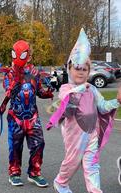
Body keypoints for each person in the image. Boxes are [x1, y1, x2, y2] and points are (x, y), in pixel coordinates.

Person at [46, 28, 121, 193]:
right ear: (69, 69)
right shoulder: (66, 88)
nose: (80, 72)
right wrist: (80, 89)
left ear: (89, 71)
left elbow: (102, 107)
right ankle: (61, 182)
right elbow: (66, 104)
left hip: (91, 134)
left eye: (84, 69)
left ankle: (95, 190)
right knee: (72, 162)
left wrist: (116, 101)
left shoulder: (92, 89)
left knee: (92, 164)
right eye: (77, 68)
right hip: (74, 136)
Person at [0, 40, 54, 187]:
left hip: (32, 117)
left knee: (39, 143)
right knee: (15, 146)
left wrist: (48, 92)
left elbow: (39, 92)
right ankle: (14, 172)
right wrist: (15, 78)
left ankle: (34, 172)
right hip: (15, 117)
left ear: (29, 57)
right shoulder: (9, 73)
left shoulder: (35, 73)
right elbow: (8, 90)